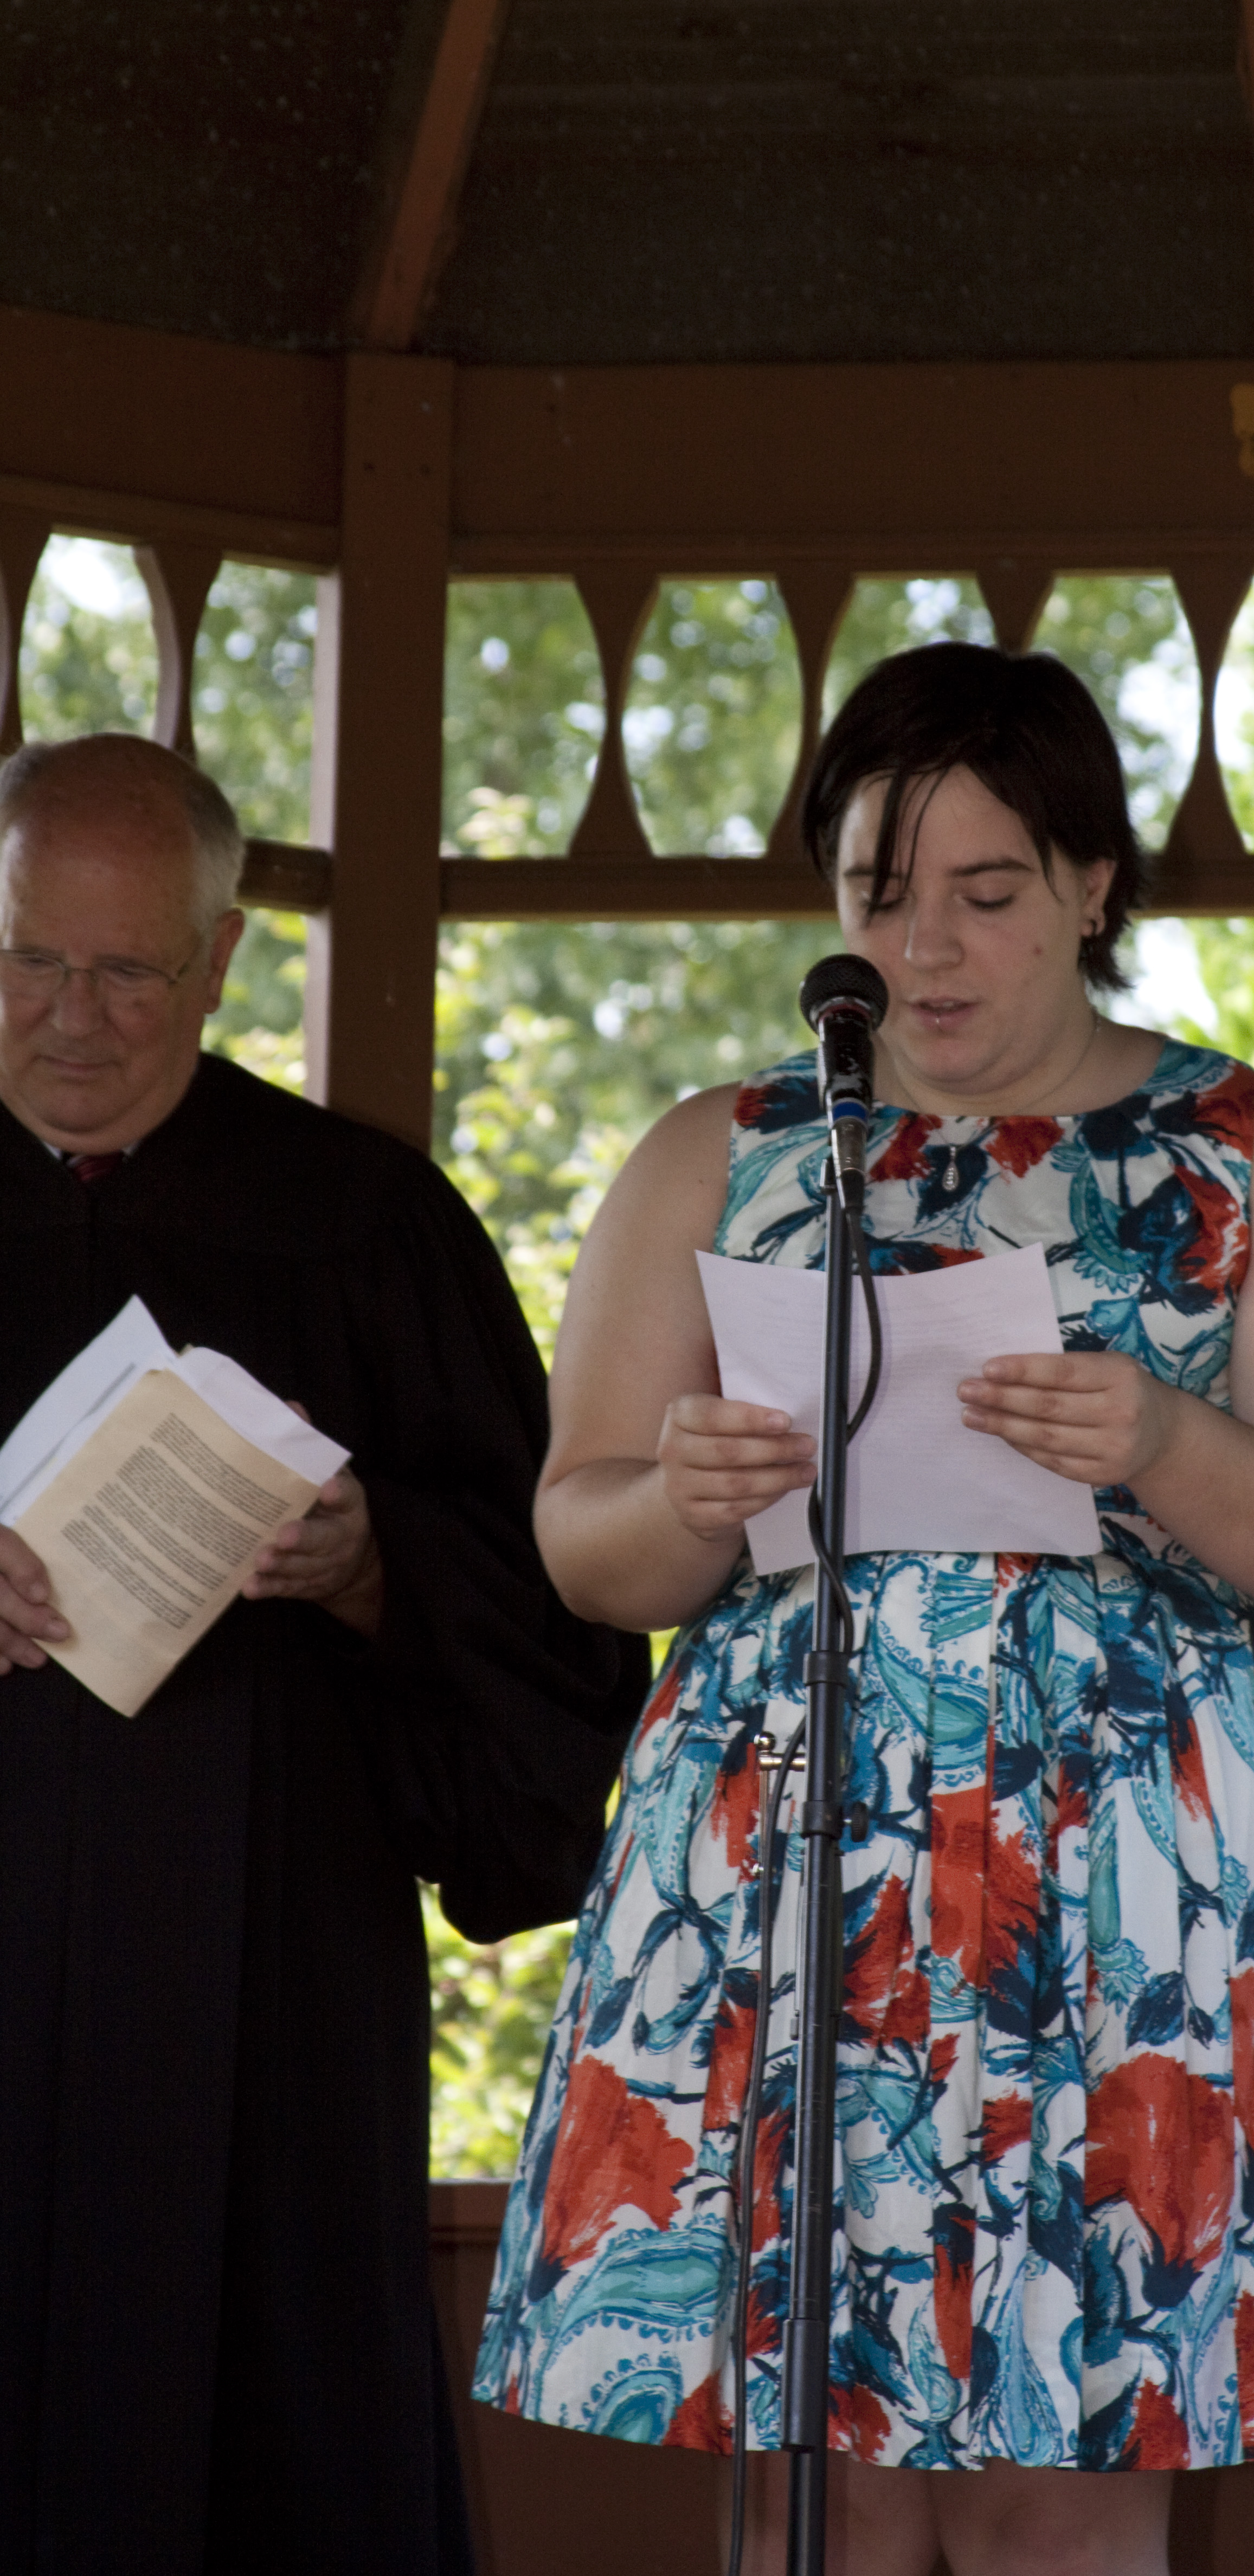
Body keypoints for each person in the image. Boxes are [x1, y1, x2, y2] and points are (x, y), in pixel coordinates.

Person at [474, 645, 1254, 2576]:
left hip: (1124, 1895)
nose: (924, 947)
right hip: (792, 1879)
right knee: (809, 2489)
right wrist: (684, 1499)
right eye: (879, 892)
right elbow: (584, 1550)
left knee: (1056, 2492)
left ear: (1094, 884)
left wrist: (1167, 1440)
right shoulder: (721, 1155)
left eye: (988, 893)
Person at [0, 733, 648, 2576]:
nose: (72, 1016)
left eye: (130, 972)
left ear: (220, 959)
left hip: (263, 2001)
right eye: (29, 959)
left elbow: (561, 1604)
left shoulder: (363, 1226)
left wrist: (381, 1570)